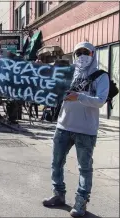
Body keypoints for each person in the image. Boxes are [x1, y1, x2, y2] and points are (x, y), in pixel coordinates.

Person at [42, 42, 109, 217]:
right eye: (78, 52)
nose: (81, 55)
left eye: (85, 52)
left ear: (93, 54)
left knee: (84, 168)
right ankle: (58, 194)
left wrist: (78, 96)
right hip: (63, 125)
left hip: (85, 129)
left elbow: (100, 100)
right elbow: (55, 91)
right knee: (56, 162)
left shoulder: (101, 76)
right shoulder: (69, 73)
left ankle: (81, 201)